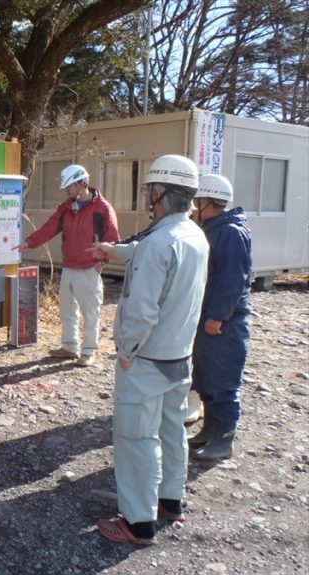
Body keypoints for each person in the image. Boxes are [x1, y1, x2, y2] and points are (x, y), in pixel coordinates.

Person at [88, 155, 209, 546]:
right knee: (172, 429)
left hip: (146, 359)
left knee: (136, 437)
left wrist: (126, 350)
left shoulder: (160, 242)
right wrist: (114, 250)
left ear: (160, 192)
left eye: (149, 189)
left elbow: (142, 309)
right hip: (179, 355)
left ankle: (138, 523)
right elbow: (151, 255)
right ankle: (171, 500)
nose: (147, 196)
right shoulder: (193, 235)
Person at [14, 165, 119, 366]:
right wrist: (29, 242)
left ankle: (89, 351)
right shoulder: (67, 207)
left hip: (90, 268)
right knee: (67, 309)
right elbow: (50, 227)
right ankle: (70, 346)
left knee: (90, 312)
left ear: (82, 184)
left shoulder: (102, 208)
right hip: (69, 266)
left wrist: (101, 264)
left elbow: (113, 239)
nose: (67, 190)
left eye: (69, 186)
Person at [188, 174, 252, 461]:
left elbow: (232, 280)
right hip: (210, 319)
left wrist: (217, 316)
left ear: (207, 201)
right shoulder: (213, 228)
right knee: (205, 377)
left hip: (224, 322)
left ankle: (223, 439)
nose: (194, 207)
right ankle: (209, 431)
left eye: (197, 201)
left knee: (223, 381)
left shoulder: (230, 232)